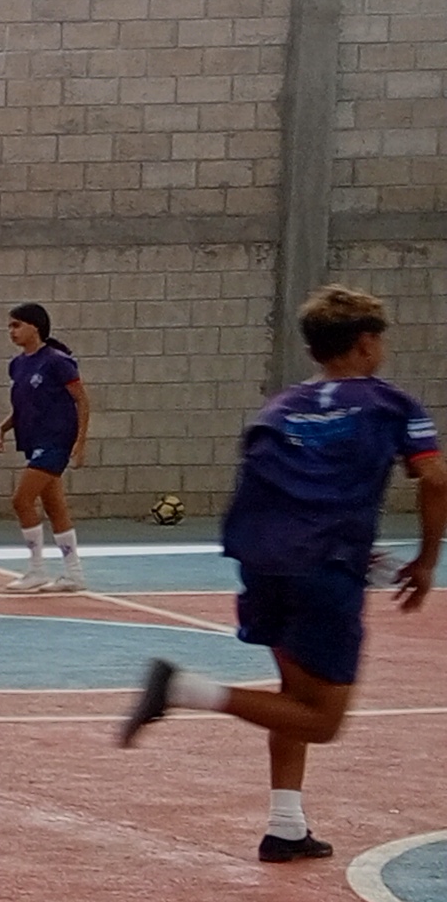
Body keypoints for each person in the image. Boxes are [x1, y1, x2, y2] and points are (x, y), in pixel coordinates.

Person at [121, 286, 445, 862]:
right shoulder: (391, 404)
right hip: (324, 568)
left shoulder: (280, 407)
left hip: (264, 561)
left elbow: (269, 486)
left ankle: (286, 826)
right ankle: (183, 688)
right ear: (366, 343)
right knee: (322, 721)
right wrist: (424, 559)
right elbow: (436, 478)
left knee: (294, 696)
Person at [0, 303, 92, 593]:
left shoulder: (58, 362)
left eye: (17, 325)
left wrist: (80, 441)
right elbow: (23, 406)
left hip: (55, 440)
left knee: (21, 500)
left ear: (35, 327)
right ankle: (74, 574)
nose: (12, 331)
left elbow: (82, 400)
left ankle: (36, 570)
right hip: (34, 440)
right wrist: (3, 427)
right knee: (54, 506)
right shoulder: (18, 364)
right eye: (9, 326)